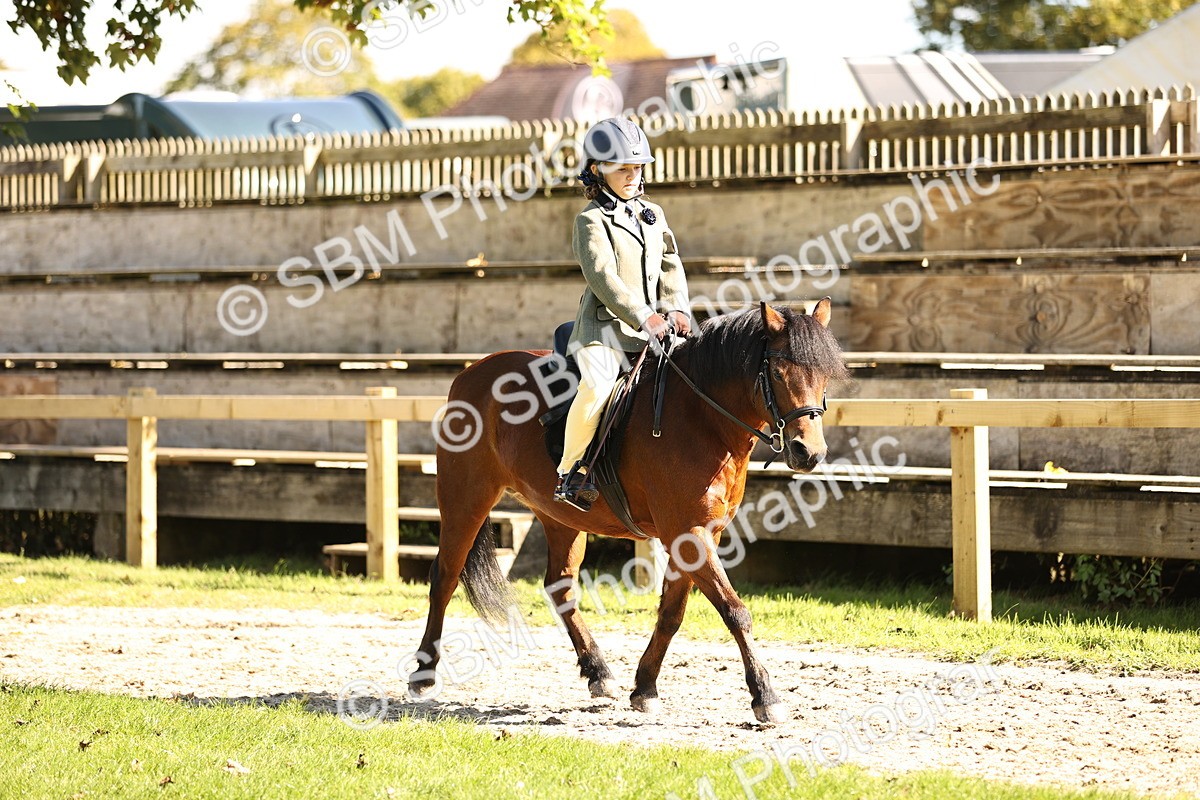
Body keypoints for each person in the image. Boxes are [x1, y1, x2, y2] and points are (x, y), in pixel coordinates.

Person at [554, 117, 692, 511]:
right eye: (622, 169)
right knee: (597, 387)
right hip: (604, 330)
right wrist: (643, 315)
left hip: (656, 326)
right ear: (598, 170)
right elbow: (603, 277)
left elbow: (670, 262)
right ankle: (571, 471)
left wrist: (677, 306)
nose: (632, 176)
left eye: (637, 168)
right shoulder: (590, 221)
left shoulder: (653, 213)